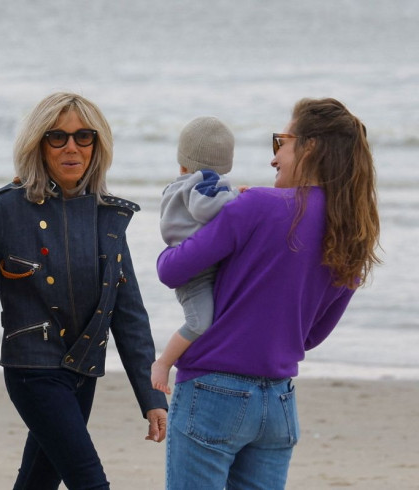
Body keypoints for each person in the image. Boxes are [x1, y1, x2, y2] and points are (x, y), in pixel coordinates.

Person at [0, 92, 168, 489]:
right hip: (32, 368)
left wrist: (151, 396)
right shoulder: (7, 209)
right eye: (58, 137)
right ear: (39, 144)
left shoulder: (110, 215)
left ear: (96, 146)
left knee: (38, 482)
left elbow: (129, 312)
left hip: (84, 369)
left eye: (83, 137)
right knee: (89, 481)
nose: (72, 147)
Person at [156, 97, 380, 489]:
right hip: (278, 403)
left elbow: (172, 270)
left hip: (212, 390)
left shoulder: (256, 204)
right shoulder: (352, 232)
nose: (274, 158)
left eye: (282, 142)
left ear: (309, 146)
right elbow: (310, 335)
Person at [151, 116, 240, 395]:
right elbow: (206, 209)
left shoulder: (178, 184)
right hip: (195, 273)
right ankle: (164, 362)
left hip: (193, 264)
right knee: (199, 322)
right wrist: (238, 197)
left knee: (213, 320)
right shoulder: (203, 181)